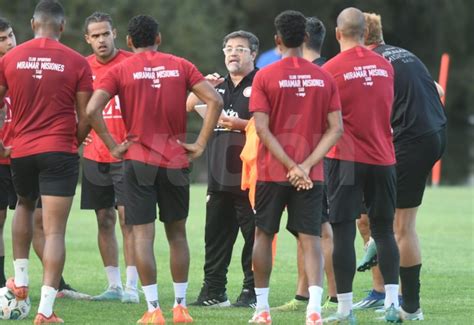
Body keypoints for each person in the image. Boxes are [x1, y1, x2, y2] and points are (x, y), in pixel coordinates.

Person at [86, 15, 223, 324]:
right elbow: (214, 99)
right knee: (177, 235)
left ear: (129, 42)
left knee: (142, 236)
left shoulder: (120, 69)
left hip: (136, 161)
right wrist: (200, 144)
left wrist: (111, 144)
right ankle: (180, 307)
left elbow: (92, 109)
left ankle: (153, 310)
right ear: (159, 38)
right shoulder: (181, 64)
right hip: (175, 160)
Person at [0, 0, 93, 323]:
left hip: (21, 151)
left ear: (32, 24)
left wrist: (3, 141)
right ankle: (45, 312)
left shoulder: (11, 57)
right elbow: (87, 114)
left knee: (23, 207)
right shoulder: (78, 61)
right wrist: (72, 142)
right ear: (63, 26)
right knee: (54, 232)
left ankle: (21, 280)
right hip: (59, 151)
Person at [248, 10, 343, 325]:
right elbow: (336, 129)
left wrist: (290, 165)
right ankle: (314, 310)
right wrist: (304, 166)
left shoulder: (264, 75)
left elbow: (261, 128)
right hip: (311, 175)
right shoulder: (324, 76)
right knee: (311, 238)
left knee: (263, 233)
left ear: (277, 40)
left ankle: (262, 311)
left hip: (272, 171)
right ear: (305, 38)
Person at [353, 12, 447, 321]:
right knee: (386, 219)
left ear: (355, 36)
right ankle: (382, 269)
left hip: (411, 143)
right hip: (433, 135)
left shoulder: (371, 63)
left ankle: (411, 307)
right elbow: (439, 90)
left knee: (401, 227)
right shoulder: (404, 54)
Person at [321, 7, 401, 323]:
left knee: (342, 233)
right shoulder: (386, 66)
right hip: (384, 158)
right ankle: (392, 304)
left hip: (346, 160)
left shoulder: (330, 70)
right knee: (384, 231)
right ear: (366, 34)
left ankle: (344, 310)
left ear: (339, 33)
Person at [187, 30, 258, 308]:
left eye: (240, 49)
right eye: (228, 48)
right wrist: (202, 84)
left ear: (253, 53)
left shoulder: (262, 82)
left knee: (253, 239)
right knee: (215, 239)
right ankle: (214, 292)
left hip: (249, 176)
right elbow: (188, 105)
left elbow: (273, 124)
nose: (233, 53)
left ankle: (252, 293)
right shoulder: (216, 86)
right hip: (219, 177)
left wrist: (241, 124)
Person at [273, 16, 338, 313]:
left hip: (317, 164)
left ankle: (335, 294)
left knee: (320, 229)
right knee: (305, 230)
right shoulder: (319, 71)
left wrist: (302, 165)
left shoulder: (324, 72)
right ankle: (303, 295)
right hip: (307, 164)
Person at [80, 11, 139, 303]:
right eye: (96, 35)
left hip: (127, 155)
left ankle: (132, 287)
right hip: (94, 156)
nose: (102, 40)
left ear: (114, 33)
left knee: (128, 218)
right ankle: (113, 286)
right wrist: (80, 130)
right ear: (87, 39)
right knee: (104, 219)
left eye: (106, 33)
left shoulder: (132, 63)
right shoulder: (82, 68)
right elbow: (72, 106)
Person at [0, 16, 17, 289]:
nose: (9, 41)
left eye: (10, 35)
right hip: (2, 159)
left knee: (41, 222)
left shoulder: (25, 65)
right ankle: (2, 281)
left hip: (29, 156)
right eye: (2, 38)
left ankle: (57, 283)